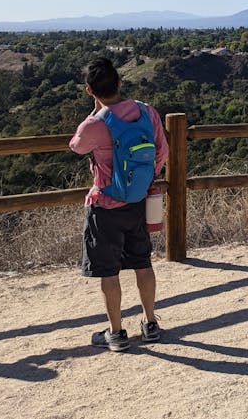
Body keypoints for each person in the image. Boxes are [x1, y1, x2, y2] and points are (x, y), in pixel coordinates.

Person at [70, 57, 168, 351]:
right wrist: (143, 180)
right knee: (142, 262)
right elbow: (160, 153)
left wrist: (96, 112)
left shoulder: (94, 125)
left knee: (108, 271)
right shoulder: (146, 112)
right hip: (138, 202)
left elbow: (76, 146)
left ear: (89, 91)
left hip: (105, 206)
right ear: (120, 84)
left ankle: (115, 333)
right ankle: (150, 323)